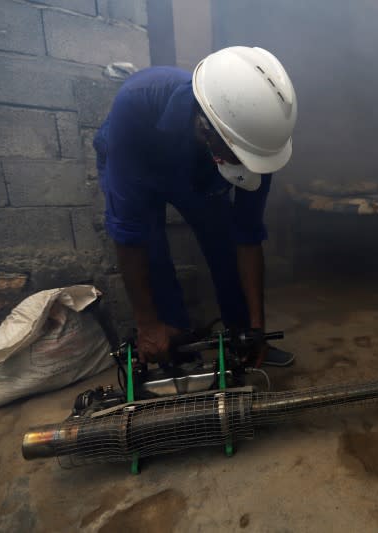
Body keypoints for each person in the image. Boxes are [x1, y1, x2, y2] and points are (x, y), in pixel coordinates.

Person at [93, 46, 297, 365]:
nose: (247, 165)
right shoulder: (137, 102)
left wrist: (256, 329)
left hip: (196, 163)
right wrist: (147, 325)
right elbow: (128, 231)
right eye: (238, 157)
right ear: (207, 128)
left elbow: (247, 234)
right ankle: (170, 337)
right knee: (152, 247)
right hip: (136, 155)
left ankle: (242, 338)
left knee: (223, 242)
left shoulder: (258, 141)